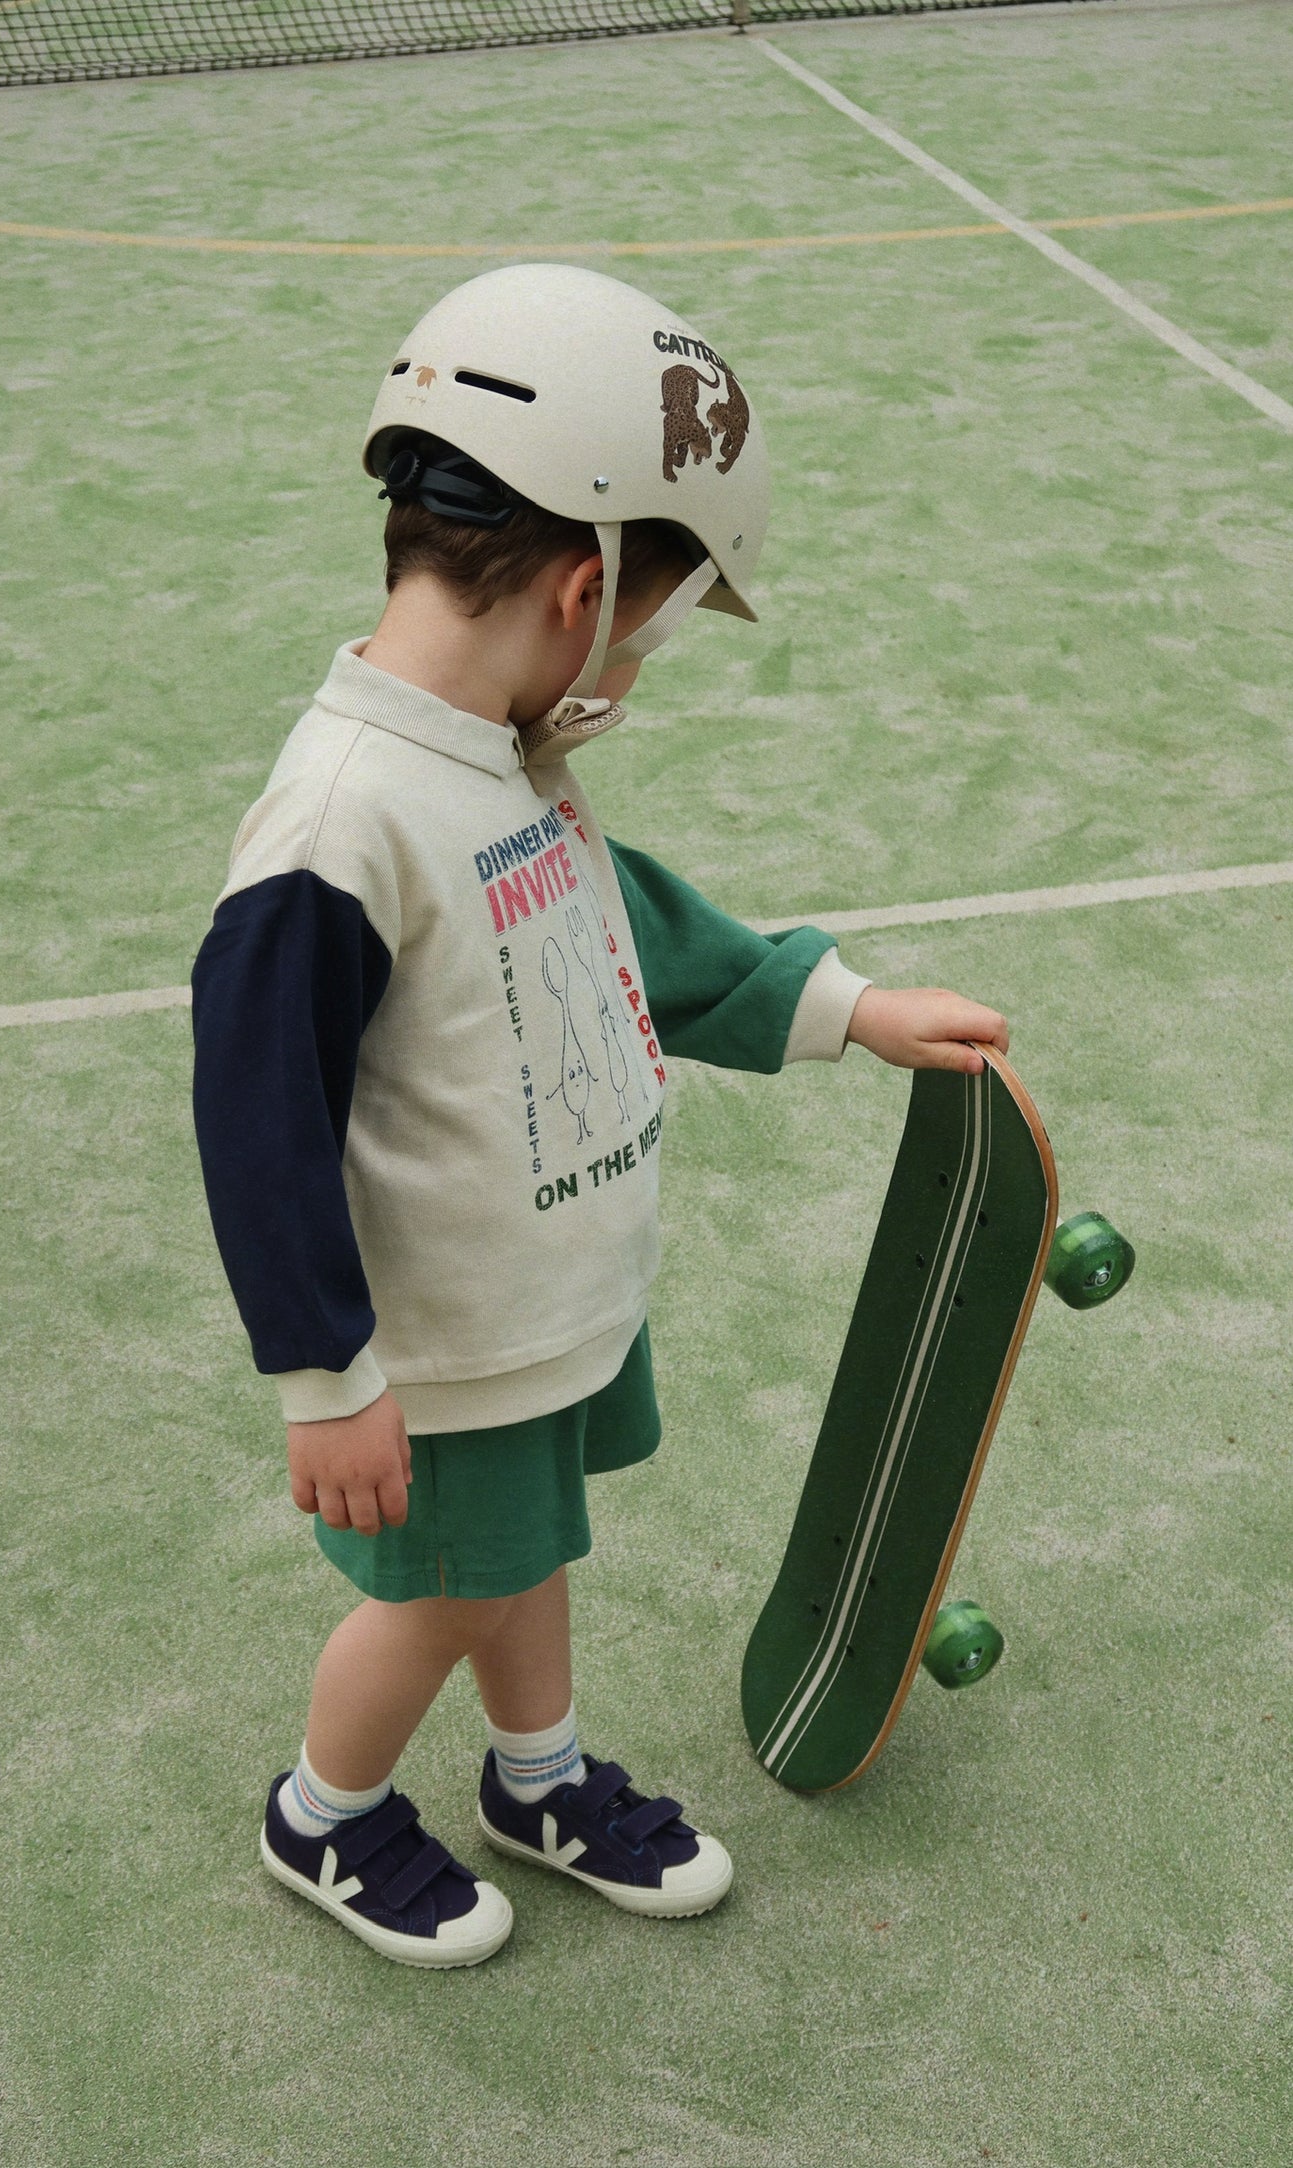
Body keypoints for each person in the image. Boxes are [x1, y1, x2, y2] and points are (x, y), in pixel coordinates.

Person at [191, 264, 1009, 1969]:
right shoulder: (341, 825)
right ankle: (325, 1813)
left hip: (544, 1309)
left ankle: (537, 1775)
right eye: (644, 632)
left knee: (523, 1552)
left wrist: (841, 1006)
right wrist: (325, 1378)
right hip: (444, 1345)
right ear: (577, 593)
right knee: (444, 1594)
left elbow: (613, 929)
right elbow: (257, 1119)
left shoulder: (498, 761)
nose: (633, 667)